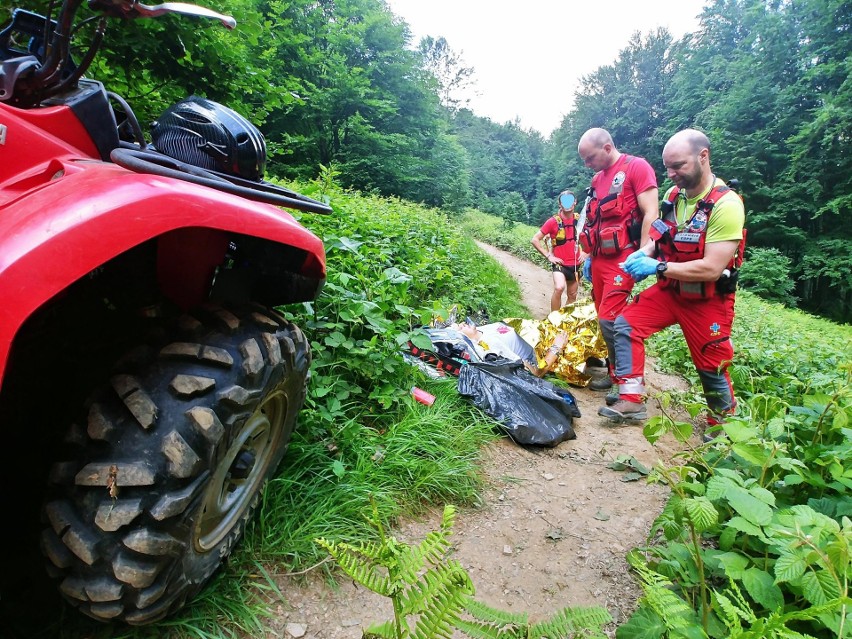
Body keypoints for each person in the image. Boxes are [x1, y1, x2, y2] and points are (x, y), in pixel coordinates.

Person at [599, 129, 746, 431]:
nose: (671, 173)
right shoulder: (672, 197)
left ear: (703, 157)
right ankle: (631, 400)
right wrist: (645, 253)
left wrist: (657, 268)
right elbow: (660, 235)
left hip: (707, 299)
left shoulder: (726, 205)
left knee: (711, 361)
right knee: (626, 324)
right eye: (667, 167)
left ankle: (723, 427)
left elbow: (711, 268)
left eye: (678, 166)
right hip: (671, 292)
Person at [576, 128, 659, 402]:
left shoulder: (636, 168)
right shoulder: (597, 179)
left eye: (590, 158)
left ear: (608, 147)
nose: (588, 164)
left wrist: (646, 252)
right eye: (585, 160)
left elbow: (651, 213)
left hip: (623, 260)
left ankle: (628, 386)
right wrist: (588, 257)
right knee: (604, 320)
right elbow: (593, 222)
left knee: (611, 320)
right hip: (599, 259)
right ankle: (614, 375)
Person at [531, 190, 585, 312]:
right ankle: (553, 319)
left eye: (570, 201)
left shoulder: (580, 221)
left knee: (572, 295)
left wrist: (585, 253)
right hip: (560, 263)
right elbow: (535, 239)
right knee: (559, 287)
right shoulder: (553, 222)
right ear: (560, 204)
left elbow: (591, 237)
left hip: (576, 264)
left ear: (575, 202)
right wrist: (548, 256)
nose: (568, 204)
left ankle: (563, 320)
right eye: (564, 202)